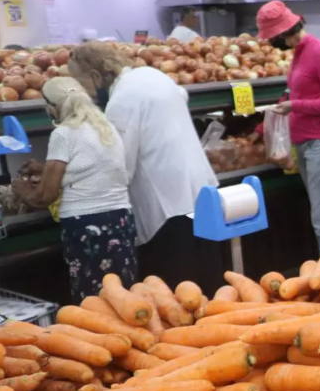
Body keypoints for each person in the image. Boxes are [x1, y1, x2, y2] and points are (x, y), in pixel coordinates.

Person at [68, 42, 220, 289]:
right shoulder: (151, 74)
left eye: (81, 83)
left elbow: (120, 166)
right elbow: (182, 95)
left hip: (167, 207)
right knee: (206, 281)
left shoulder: (121, 101)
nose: (83, 94)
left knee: (177, 288)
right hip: (199, 192)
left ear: (96, 76)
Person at [12, 77, 135, 302]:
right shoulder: (105, 126)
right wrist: (45, 168)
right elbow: (90, 166)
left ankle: (101, 337)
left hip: (86, 227)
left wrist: (21, 188)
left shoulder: (64, 133)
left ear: (52, 107)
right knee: (123, 294)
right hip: (120, 221)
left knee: (94, 299)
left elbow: (43, 198)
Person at [257, 1, 320, 254]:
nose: (271, 43)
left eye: (271, 37)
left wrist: (295, 106)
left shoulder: (318, 52)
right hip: (307, 145)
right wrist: (264, 123)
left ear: (282, 32)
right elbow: (293, 92)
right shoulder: (299, 53)